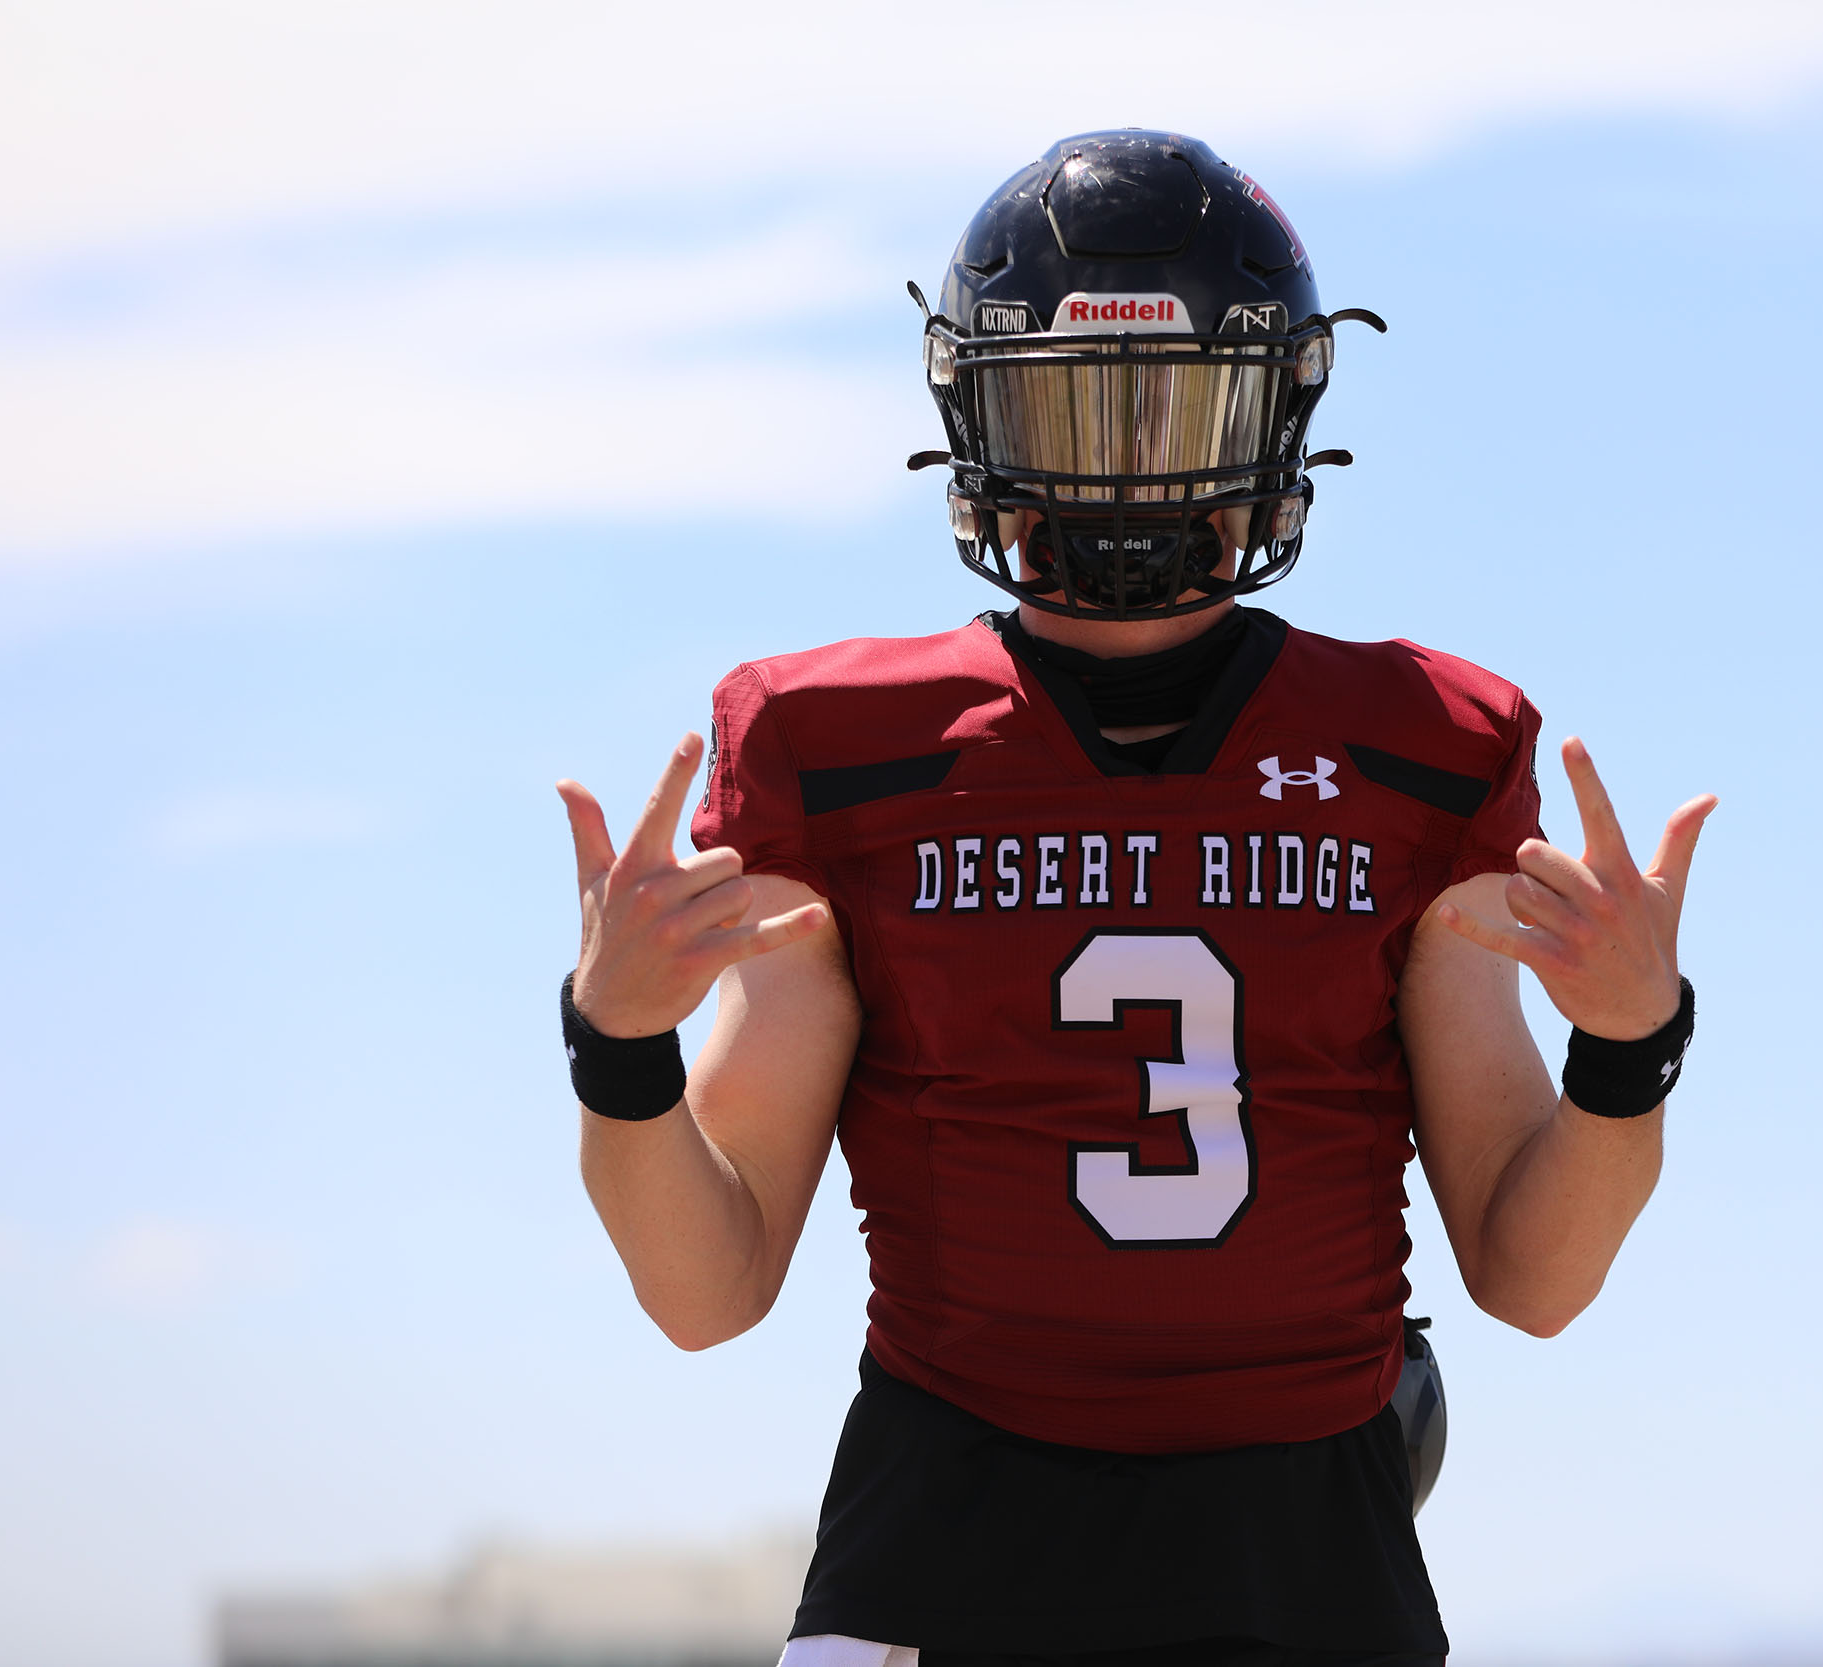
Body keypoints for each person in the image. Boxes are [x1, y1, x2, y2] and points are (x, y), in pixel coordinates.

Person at [557, 131, 1714, 1667]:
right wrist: (620, 1051)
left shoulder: (1428, 745)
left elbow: (1534, 1276)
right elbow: (706, 1292)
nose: (1128, 466)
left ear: (1276, 412)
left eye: (1173, 408)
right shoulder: (831, 748)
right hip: (947, 1536)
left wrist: (1628, 1050)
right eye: (1075, 409)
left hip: (1307, 1545)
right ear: (977, 415)